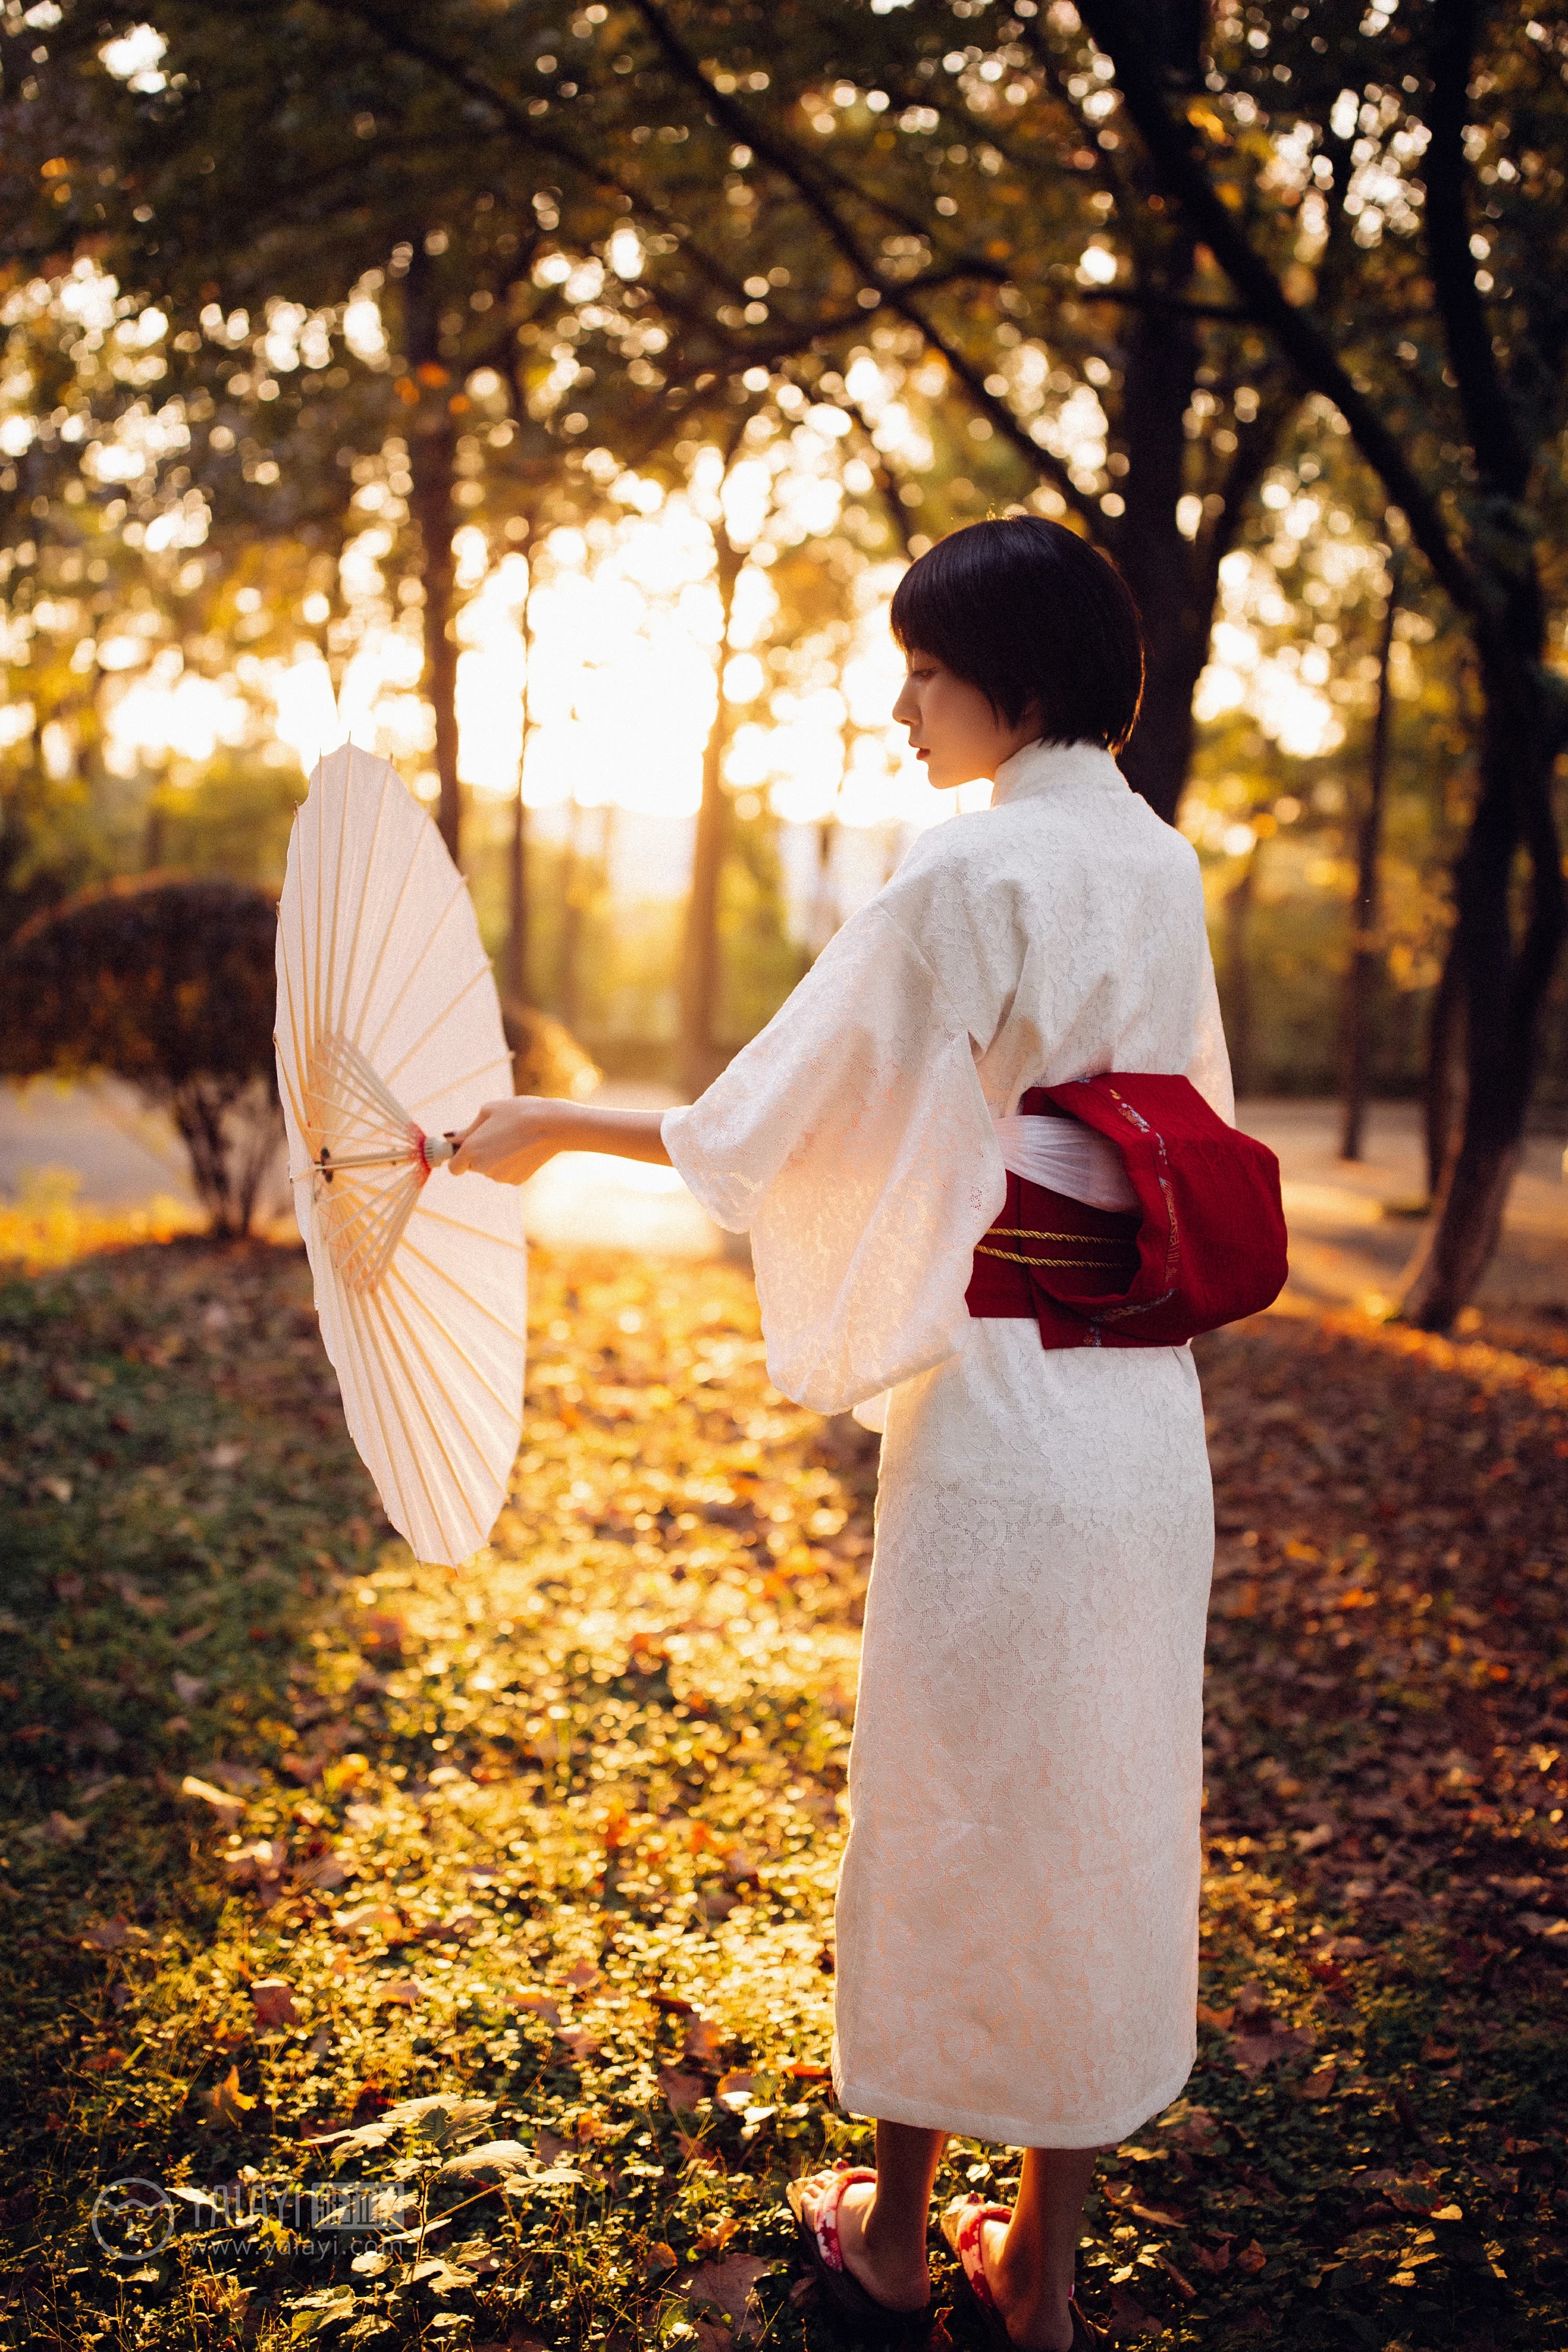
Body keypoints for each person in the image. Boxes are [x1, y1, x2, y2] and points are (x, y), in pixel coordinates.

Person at [450, 517, 1233, 2352]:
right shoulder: (1163, 861)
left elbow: (763, 1126)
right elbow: (1173, 1122)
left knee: (961, 1813)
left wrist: (552, 1119)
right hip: (1139, 1414)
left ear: (1012, 685)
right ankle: (1036, 2267)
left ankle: (892, 2243)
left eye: (926, 673)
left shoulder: (971, 874)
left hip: (1010, 1427)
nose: (901, 709)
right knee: (1097, 1807)